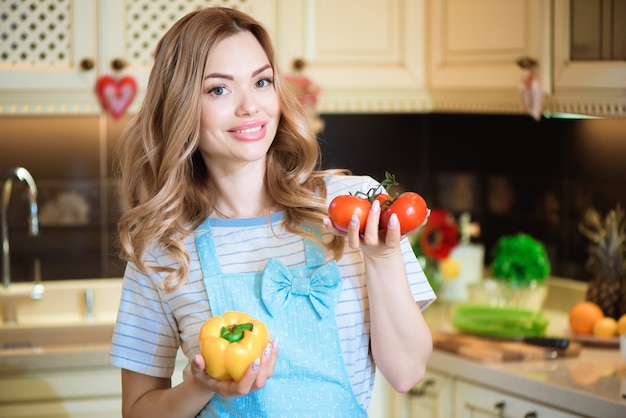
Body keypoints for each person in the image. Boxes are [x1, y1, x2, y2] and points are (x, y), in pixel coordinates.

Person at [109, 6, 435, 418]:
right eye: (218, 90)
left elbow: (407, 373)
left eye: (261, 82)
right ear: (179, 106)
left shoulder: (354, 208)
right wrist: (201, 386)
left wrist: (382, 257)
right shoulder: (162, 248)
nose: (251, 107)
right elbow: (137, 411)